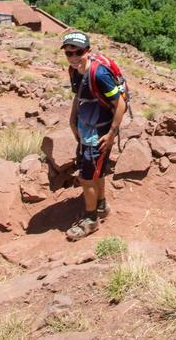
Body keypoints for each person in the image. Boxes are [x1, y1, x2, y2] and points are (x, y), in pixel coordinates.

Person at [61, 32, 127, 241]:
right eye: (68, 52)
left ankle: (90, 220)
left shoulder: (98, 75)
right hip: (86, 129)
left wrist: (111, 134)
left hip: (99, 133)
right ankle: (101, 205)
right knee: (96, 172)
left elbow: (120, 104)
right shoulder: (74, 70)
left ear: (87, 51)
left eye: (77, 52)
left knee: (86, 177)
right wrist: (72, 120)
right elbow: (79, 96)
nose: (72, 56)